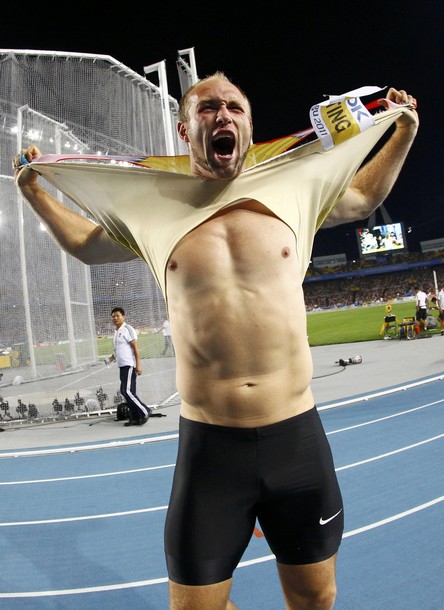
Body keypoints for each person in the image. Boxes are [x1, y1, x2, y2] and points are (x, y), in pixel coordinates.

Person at [13, 73, 418, 609]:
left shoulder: (296, 186)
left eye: (234, 107)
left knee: (316, 599)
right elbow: (86, 245)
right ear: (185, 130)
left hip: (295, 439)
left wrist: (404, 130)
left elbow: (364, 196)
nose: (222, 114)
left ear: (249, 125)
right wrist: (34, 190)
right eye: (207, 108)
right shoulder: (151, 205)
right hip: (211, 450)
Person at [108, 307, 151, 426]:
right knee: (129, 392)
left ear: (123, 317)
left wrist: (138, 365)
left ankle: (145, 411)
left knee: (126, 391)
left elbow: (135, 349)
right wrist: (110, 359)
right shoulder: (116, 332)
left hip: (129, 365)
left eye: (117, 315)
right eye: (113, 316)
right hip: (122, 366)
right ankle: (135, 418)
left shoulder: (127, 329)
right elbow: (118, 351)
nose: (115, 318)